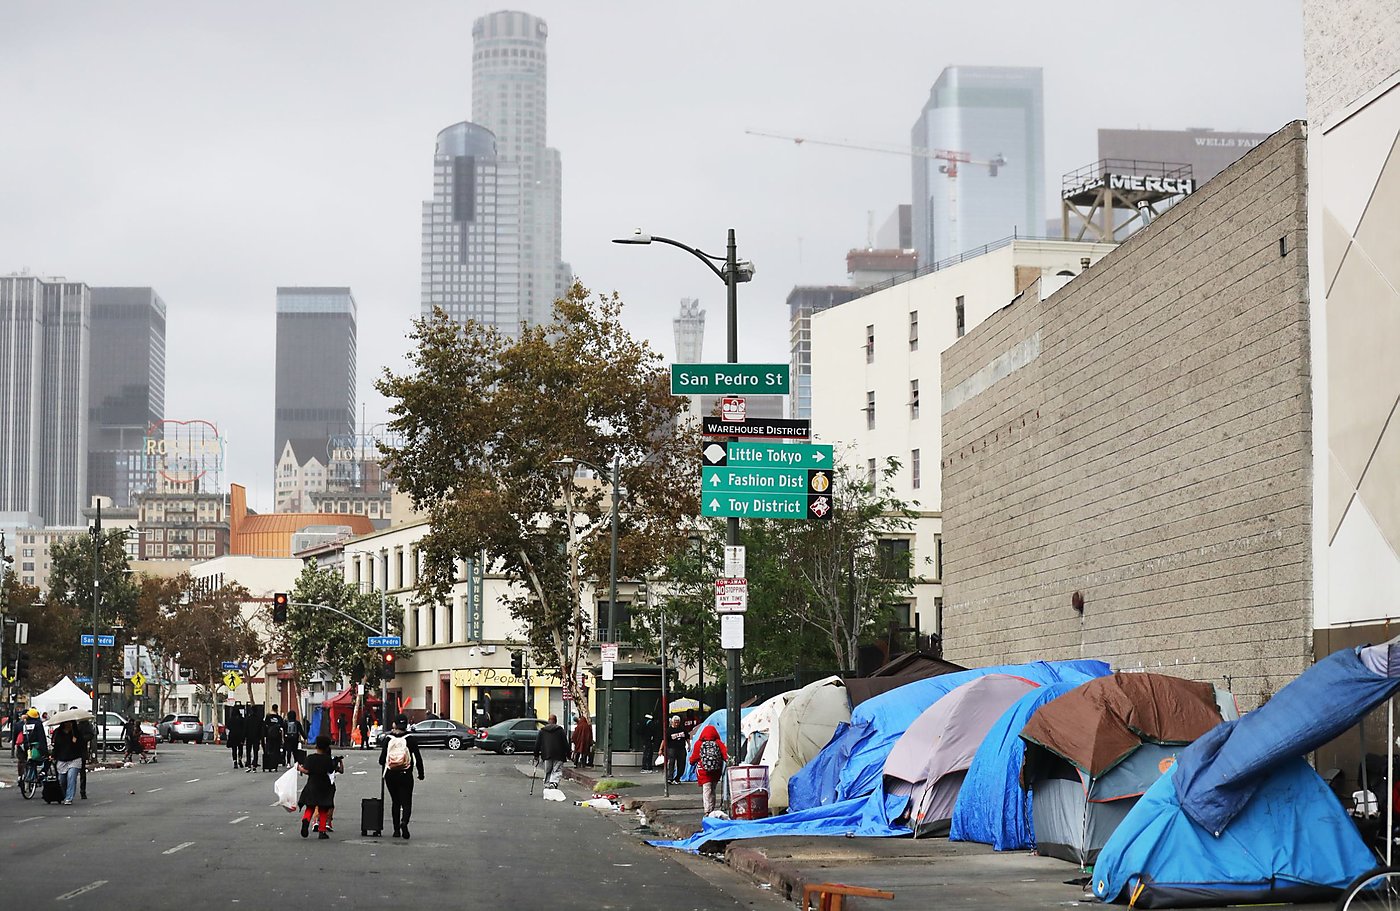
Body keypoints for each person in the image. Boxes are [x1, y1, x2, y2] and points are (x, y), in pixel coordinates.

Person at [378, 714, 424, 839]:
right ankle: (404, 822)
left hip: (390, 775)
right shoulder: (411, 739)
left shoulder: (388, 739)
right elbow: (418, 758)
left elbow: (382, 760)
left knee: (395, 802)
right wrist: (421, 773)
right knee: (406, 802)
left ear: (394, 724)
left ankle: (396, 830)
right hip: (406, 774)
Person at [296, 735, 343, 840]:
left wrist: (299, 768)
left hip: (312, 784)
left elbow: (306, 771)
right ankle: (322, 831)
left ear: (316, 746)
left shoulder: (310, 758)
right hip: (324, 786)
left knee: (310, 807)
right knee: (323, 809)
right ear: (327, 748)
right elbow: (331, 771)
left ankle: (306, 819)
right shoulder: (327, 760)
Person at [688, 724, 729, 816]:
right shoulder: (718, 743)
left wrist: (691, 762)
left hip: (703, 771)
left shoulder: (699, 743)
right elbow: (725, 755)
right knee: (713, 789)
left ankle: (707, 810)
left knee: (706, 789)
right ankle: (712, 807)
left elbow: (694, 758)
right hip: (716, 770)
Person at [51, 719, 84, 805]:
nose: (68, 724)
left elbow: (82, 744)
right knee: (62, 779)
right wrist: (53, 755)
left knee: (71, 777)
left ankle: (69, 797)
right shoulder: (58, 732)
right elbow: (56, 746)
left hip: (75, 759)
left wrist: (76, 741)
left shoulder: (76, 732)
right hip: (62, 759)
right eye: (67, 722)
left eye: (70, 722)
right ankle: (64, 794)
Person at [533, 713, 569, 789]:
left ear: (548, 721)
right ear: (556, 721)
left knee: (548, 770)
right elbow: (565, 743)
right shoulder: (560, 730)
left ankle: (547, 784)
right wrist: (568, 753)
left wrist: (536, 755)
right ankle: (554, 783)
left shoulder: (542, 731)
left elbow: (537, 744)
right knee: (557, 770)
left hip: (547, 754)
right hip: (559, 754)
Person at [16, 707, 46, 781]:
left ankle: (22, 776)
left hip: (25, 746)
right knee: (39, 759)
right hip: (36, 746)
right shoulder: (38, 724)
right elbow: (41, 737)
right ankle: (37, 776)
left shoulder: (24, 724)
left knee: (24, 761)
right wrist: (44, 750)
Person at [73, 707, 94, 799]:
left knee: (82, 772)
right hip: (70, 751)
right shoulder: (69, 724)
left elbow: (90, 735)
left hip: (81, 750)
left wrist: (80, 739)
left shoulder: (85, 724)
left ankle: (82, 791)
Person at [665, 715, 687, 783]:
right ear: (672, 722)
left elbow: (687, 737)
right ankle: (670, 777)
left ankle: (678, 777)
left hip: (681, 748)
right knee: (671, 762)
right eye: (675, 722)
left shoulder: (682, 729)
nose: (676, 724)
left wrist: (688, 745)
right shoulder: (669, 730)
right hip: (672, 748)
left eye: (678, 722)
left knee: (682, 763)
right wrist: (662, 748)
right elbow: (664, 740)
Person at [263, 705, 285, 771]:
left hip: (269, 737)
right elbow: (282, 727)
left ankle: (269, 765)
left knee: (269, 751)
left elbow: (264, 726)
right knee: (276, 751)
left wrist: (264, 736)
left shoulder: (268, 717)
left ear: (272, 708)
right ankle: (275, 766)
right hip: (277, 737)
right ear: (277, 709)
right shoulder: (279, 718)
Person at [226, 703, 246, 769]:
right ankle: (240, 759)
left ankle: (235, 761)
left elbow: (228, 727)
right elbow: (244, 728)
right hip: (240, 736)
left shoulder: (231, 719)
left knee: (234, 749)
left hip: (233, 735)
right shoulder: (242, 719)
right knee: (240, 748)